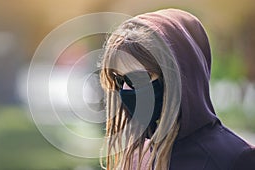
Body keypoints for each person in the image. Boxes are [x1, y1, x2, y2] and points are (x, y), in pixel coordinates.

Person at [99, 8, 255, 170]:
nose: (125, 89)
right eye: (120, 79)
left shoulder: (235, 158)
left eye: (136, 78)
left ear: (179, 77)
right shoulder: (137, 158)